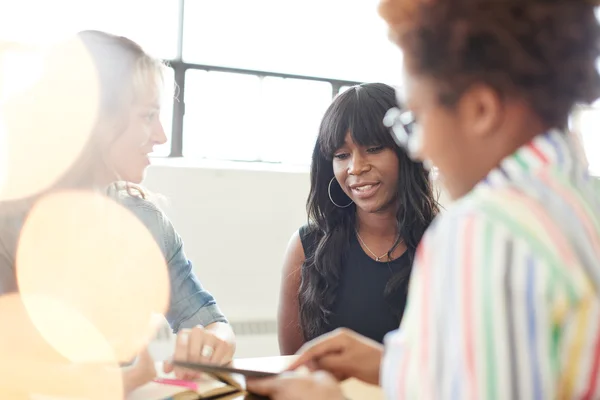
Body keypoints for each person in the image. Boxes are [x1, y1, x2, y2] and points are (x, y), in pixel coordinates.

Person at [248, 0, 600, 398]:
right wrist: (393, 366)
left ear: (480, 110)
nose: (419, 150)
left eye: (417, 119)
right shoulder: (582, 201)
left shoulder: (488, 230)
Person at [0, 30, 234, 396]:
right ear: (96, 121)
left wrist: (212, 342)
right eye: (148, 116)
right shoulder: (8, 227)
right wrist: (121, 381)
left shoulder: (146, 221)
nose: (161, 136)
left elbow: (212, 323)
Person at [278, 83, 438, 355]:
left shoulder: (447, 242)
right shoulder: (307, 246)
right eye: (341, 155)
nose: (356, 167)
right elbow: (292, 366)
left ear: (406, 151)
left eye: (374, 148)